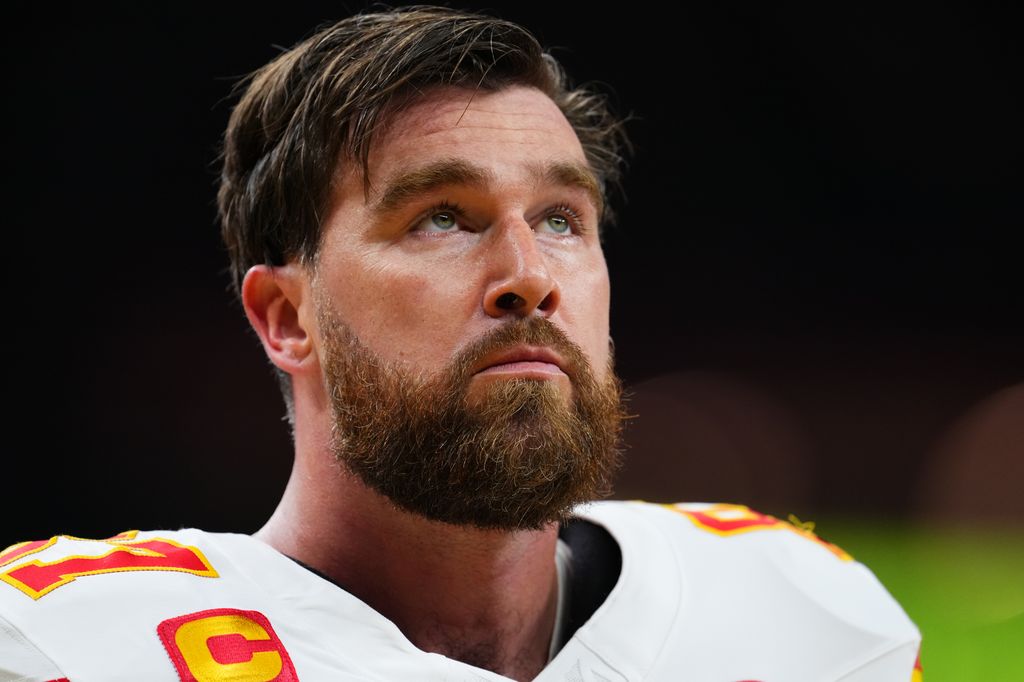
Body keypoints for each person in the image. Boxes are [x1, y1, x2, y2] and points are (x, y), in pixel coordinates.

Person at [0, 6, 922, 681]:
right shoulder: (63, 644)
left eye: (563, 218)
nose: (530, 273)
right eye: (443, 218)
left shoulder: (801, 617)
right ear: (286, 317)